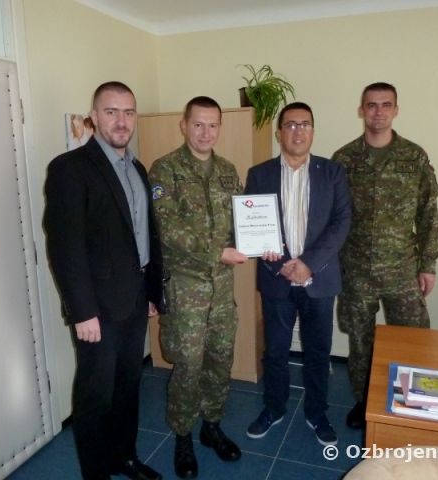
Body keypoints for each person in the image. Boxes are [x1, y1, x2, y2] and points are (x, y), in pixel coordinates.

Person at [43, 81, 164, 480]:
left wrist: (151, 291)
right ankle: (96, 474)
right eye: (111, 112)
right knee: (95, 396)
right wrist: (82, 312)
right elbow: (65, 247)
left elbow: (143, 236)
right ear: (94, 117)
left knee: (129, 385)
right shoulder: (70, 168)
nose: (121, 121)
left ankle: (124, 457)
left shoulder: (138, 169)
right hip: (97, 309)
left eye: (128, 112)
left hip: (134, 300)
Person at [331, 82, 438, 429]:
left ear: (396, 110)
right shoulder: (344, 159)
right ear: (361, 110)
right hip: (356, 269)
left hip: (402, 269)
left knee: (412, 339)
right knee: (361, 342)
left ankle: (412, 401)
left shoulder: (414, 156)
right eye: (371, 105)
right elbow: (333, 216)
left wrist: (428, 264)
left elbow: (428, 212)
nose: (378, 111)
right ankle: (364, 401)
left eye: (385, 104)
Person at [148, 96, 247, 479]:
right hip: (186, 288)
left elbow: (242, 220)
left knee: (220, 359)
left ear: (220, 127)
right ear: (184, 125)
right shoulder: (165, 170)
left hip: (222, 288)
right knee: (188, 365)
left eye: (213, 125)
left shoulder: (227, 171)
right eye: (198, 124)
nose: (206, 133)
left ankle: (212, 425)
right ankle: (183, 434)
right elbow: (167, 229)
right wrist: (217, 252)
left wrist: (260, 241)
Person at [244, 102, 352, 446]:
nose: (298, 131)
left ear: (313, 131)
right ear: (279, 133)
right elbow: (252, 226)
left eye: (304, 124)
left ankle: (317, 413)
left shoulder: (332, 172)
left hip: (319, 279)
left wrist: (307, 263)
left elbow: (341, 223)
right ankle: (273, 408)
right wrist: (279, 263)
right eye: (290, 125)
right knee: (275, 351)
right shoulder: (259, 174)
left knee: (318, 352)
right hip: (276, 279)